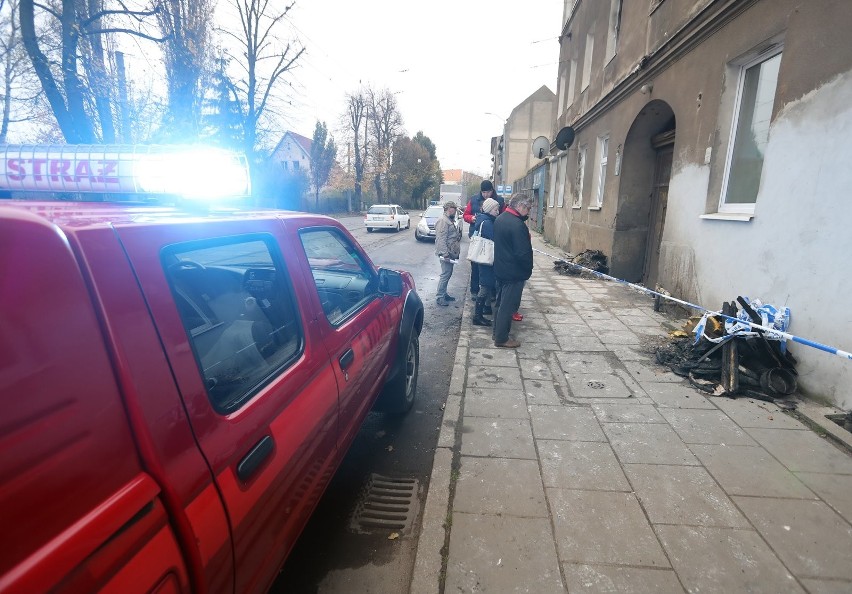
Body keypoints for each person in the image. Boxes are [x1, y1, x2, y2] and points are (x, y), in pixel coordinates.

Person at [492, 193, 533, 348]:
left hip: (501, 268)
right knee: (507, 306)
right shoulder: (517, 225)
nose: (528, 212)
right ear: (520, 206)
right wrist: (528, 270)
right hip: (513, 272)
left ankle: (496, 332)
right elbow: (522, 253)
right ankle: (502, 338)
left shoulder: (500, 219)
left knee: (500, 303)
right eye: (527, 208)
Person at [463, 180, 504, 297]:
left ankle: (490, 292)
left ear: (492, 191)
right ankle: (474, 291)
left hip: (493, 238)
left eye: (488, 192)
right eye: (483, 192)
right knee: (475, 266)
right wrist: (472, 218)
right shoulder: (474, 199)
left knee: (491, 266)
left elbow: (504, 216)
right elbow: (465, 215)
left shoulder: (500, 201)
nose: (486, 194)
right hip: (477, 237)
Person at [471, 197, 500, 326]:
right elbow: (494, 239)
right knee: (484, 286)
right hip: (486, 258)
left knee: (486, 284)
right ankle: (477, 316)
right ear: (489, 209)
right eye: (495, 209)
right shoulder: (487, 223)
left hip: (483, 258)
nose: (498, 211)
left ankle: (484, 310)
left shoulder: (483, 219)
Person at [434, 201, 461, 306]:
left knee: (448, 273)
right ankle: (440, 297)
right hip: (446, 253)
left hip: (450, 252)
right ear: (447, 209)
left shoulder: (448, 220)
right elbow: (441, 239)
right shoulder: (443, 221)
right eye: (452, 208)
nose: (454, 210)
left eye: (454, 208)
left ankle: (444, 294)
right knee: (445, 274)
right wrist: (444, 254)